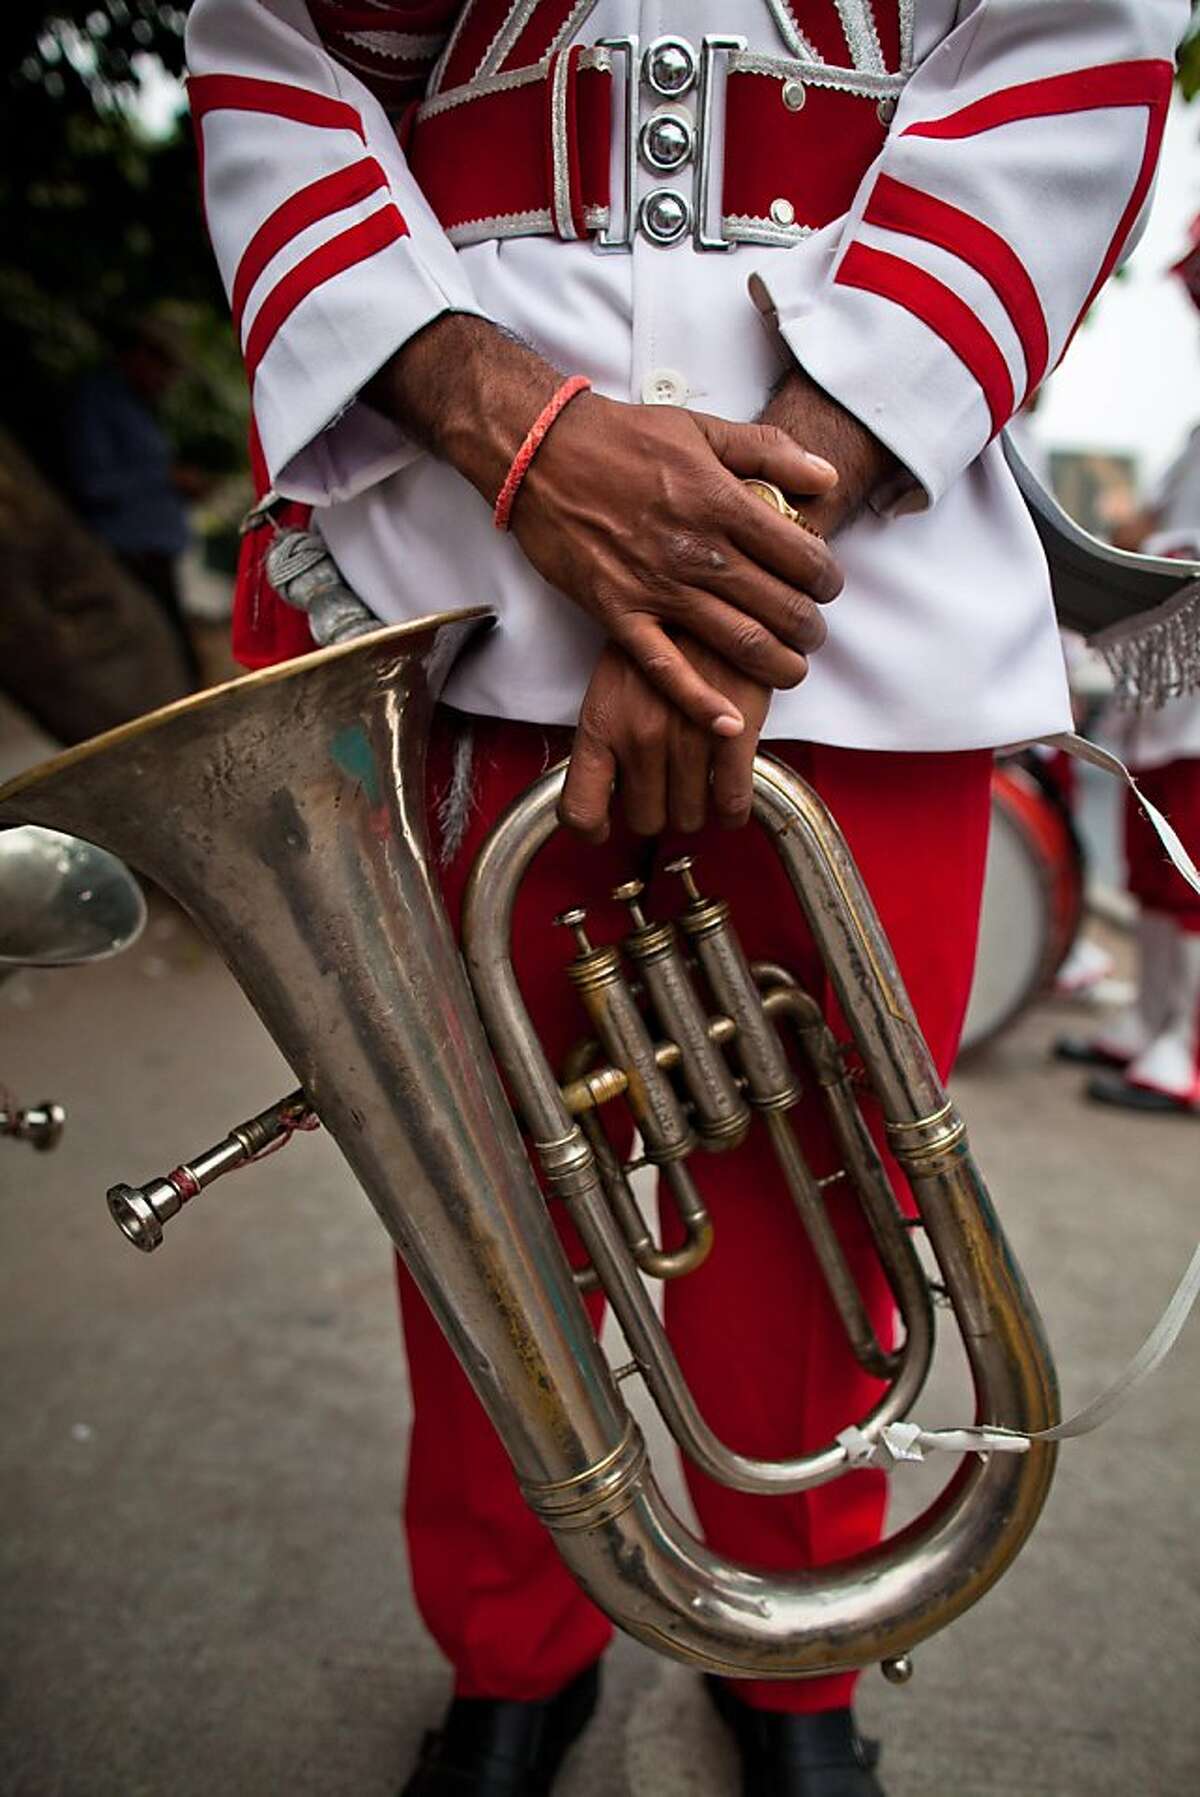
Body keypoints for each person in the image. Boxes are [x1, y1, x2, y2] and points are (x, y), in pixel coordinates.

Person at [184, 3, 1187, 1791]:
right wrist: (523, 437)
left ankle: (800, 1667)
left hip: (858, 578)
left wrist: (730, 550)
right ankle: (516, 1648)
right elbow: (274, 62)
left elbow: (1069, 51)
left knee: (830, 1192)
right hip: (455, 575)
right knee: (484, 1207)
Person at [1056, 417, 1200, 1116]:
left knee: (1193, 889)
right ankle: (1155, 1019)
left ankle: (1190, 1046)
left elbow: (1167, 545)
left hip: (1193, 703)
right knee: (1155, 877)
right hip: (1165, 703)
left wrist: (1140, 544)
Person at [63, 317, 203, 686]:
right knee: (158, 663)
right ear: (142, 355)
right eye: (165, 368)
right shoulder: (97, 400)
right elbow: (94, 483)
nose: (166, 381)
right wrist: (165, 478)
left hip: (156, 554)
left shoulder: (138, 407)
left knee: (181, 655)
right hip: (130, 555)